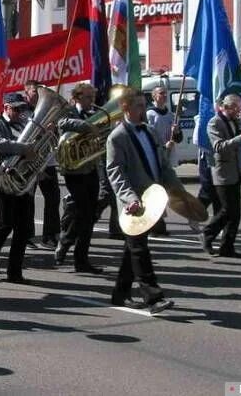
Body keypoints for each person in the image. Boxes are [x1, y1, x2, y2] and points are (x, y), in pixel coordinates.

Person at [106, 88, 176, 314]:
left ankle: (120, 293)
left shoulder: (150, 131)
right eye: (137, 105)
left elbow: (163, 165)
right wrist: (130, 199)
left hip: (152, 201)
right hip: (134, 205)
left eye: (143, 104)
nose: (142, 108)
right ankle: (153, 297)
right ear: (125, 108)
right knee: (139, 250)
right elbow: (116, 172)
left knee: (133, 249)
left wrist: (179, 192)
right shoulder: (117, 137)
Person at [0, 93, 39, 283]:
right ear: (6, 107)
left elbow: (34, 146)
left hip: (23, 180)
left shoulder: (25, 123)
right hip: (2, 180)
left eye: (22, 108)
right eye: (16, 109)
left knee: (23, 229)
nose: (20, 112)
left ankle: (15, 272)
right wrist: (23, 148)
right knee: (5, 224)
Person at [55, 83, 103, 274]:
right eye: (88, 97)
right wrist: (89, 127)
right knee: (83, 212)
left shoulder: (94, 113)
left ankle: (71, 248)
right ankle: (77, 256)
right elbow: (62, 124)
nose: (92, 101)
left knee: (89, 216)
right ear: (77, 97)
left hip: (90, 169)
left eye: (93, 97)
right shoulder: (68, 111)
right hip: (73, 171)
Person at [200, 94, 241, 258]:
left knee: (235, 214)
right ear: (226, 107)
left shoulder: (235, 121)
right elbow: (219, 146)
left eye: (240, 107)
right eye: (236, 108)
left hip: (235, 171)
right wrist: (240, 138)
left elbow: (238, 144)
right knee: (226, 210)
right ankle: (207, 233)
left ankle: (227, 247)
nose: (239, 111)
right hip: (222, 172)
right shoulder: (214, 122)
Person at [22, 81, 61, 250]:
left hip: (47, 161)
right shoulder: (22, 112)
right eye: (33, 91)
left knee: (53, 197)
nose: (37, 94)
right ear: (26, 93)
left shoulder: (50, 110)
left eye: (40, 91)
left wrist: (54, 129)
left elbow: (56, 137)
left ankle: (50, 235)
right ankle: (26, 235)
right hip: (30, 162)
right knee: (27, 200)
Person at [143, 85, 183, 236]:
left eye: (165, 93)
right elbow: (148, 135)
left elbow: (178, 138)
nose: (164, 96)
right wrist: (161, 144)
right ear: (154, 96)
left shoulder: (171, 115)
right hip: (155, 155)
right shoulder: (150, 114)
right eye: (160, 93)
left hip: (167, 156)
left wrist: (177, 132)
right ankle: (155, 225)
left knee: (164, 190)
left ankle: (159, 224)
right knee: (156, 190)